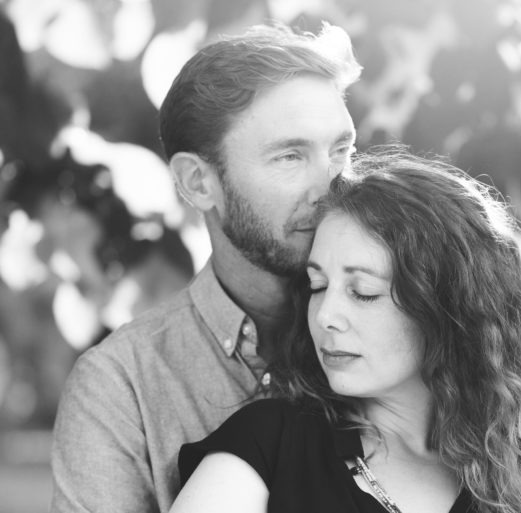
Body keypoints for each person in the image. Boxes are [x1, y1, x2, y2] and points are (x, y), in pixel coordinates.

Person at [170, 149, 521, 513]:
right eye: (318, 285)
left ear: (445, 306)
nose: (325, 316)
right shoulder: (269, 444)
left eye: (363, 292)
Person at [50, 22, 361, 513]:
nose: (332, 185)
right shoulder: (121, 387)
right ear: (198, 182)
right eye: (289, 156)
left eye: (342, 150)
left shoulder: (413, 326)